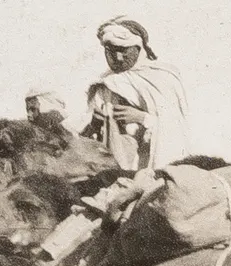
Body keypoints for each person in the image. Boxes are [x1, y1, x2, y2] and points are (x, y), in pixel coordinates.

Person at [82, 17, 192, 171]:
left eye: (124, 51)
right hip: (114, 166)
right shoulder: (105, 83)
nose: (118, 58)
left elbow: (176, 130)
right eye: (111, 52)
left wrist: (143, 118)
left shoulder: (163, 78)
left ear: (139, 48)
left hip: (150, 165)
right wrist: (95, 122)